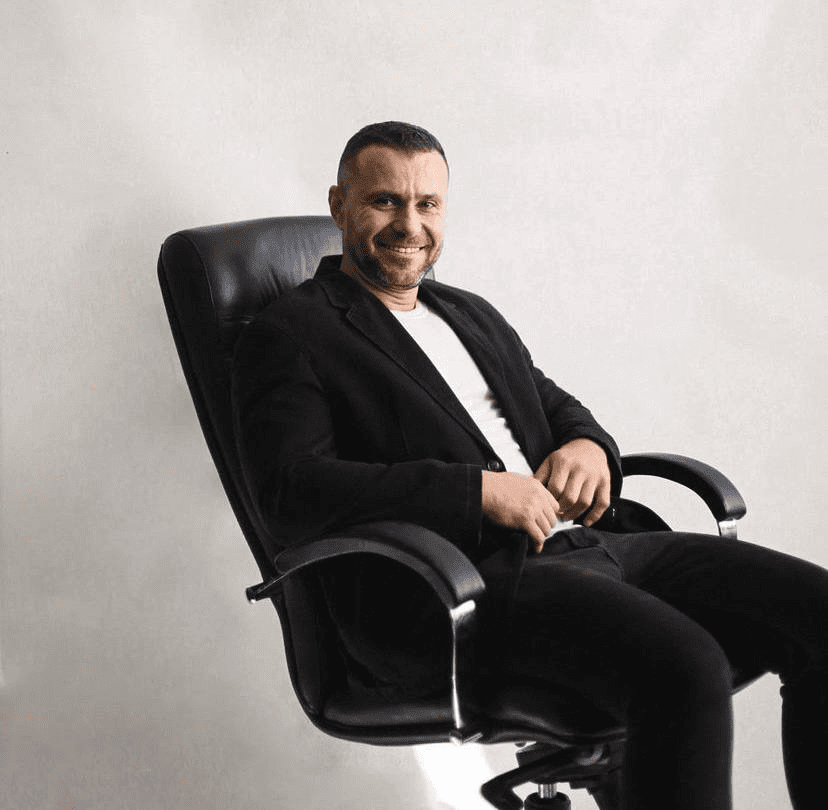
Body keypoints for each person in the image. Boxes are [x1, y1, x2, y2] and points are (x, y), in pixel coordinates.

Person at [232, 121, 828, 810]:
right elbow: (291, 492)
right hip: (466, 583)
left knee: (818, 613)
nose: (410, 225)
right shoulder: (294, 332)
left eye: (428, 204)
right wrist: (477, 493)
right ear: (339, 206)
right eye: (385, 201)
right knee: (684, 665)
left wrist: (588, 446)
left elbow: (552, 403)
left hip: (592, 545)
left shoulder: (466, 313)